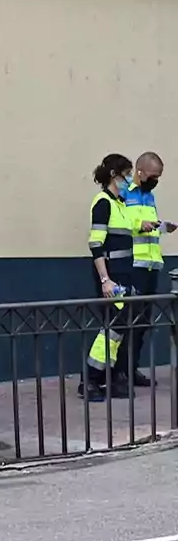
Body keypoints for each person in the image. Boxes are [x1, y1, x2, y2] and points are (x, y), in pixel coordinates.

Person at [83, 154, 137, 400]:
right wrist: (105, 280)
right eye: (127, 174)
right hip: (112, 277)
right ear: (114, 175)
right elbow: (96, 245)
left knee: (119, 328)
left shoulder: (120, 203)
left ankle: (108, 379)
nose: (129, 179)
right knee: (112, 328)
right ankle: (90, 380)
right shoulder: (103, 202)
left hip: (124, 274)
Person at [123, 152, 176, 385]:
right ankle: (119, 372)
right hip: (132, 265)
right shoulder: (124, 194)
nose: (155, 181)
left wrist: (162, 227)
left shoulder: (149, 197)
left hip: (151, 265)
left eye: (159, 177)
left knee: (143, 321)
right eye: (153, 176)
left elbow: (147, 228)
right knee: (128, 320)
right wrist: (139, 225)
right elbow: (119, 225)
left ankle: (131, 369)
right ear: (140, 172)